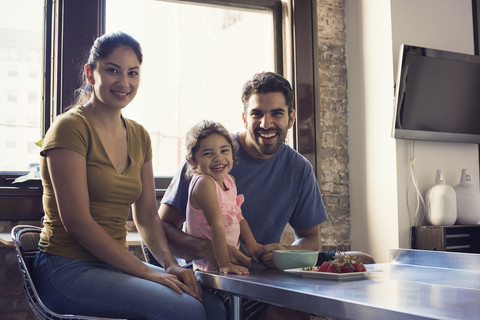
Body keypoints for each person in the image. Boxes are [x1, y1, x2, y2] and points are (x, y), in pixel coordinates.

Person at [31, 31, 225, 320]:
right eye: (112, 70)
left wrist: (170, 264)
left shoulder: (139, 135)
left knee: (214, 307)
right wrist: (147, 272)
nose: (124, 83)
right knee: (186, 311)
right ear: (90, 74)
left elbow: (146, 215)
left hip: (114, 267)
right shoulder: (69, 128)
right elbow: (78, 223)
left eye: (132, 73)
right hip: (65, 268)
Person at [159, 71, 374, 320]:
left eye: (277, 114)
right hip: (211, 272)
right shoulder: (210, 157)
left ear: (291, 118)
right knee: (291, 315)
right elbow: (161, 227)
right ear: (244, 118)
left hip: (264, 270)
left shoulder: (299, 168)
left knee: (364, 261)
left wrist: (284, 253)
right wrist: (206, 249)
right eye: (257, 114)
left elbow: (310, 238)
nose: (266, 123)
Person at [184, 120, 265, 274]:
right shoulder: (204, 183)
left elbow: (239, 217)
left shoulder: (229, 180)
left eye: (224, 151)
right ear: (193, 161)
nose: (218, 158)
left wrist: (252, 245)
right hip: (210, 268)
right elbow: (216, 224)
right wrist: (225, 263)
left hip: (229, 257)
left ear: (233, 154)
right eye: (208, 153)